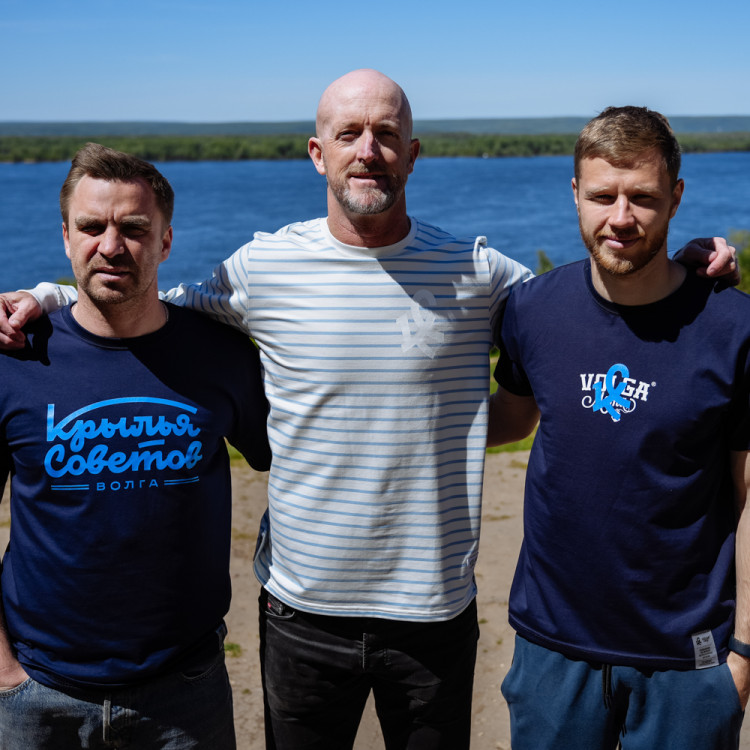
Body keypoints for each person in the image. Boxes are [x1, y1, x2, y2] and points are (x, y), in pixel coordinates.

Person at [0, 73, 739, 749]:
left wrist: (691, 273)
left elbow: (595, 297)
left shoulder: (478, 273)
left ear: (412, 154)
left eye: (386, 134)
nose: (368, 150)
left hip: (434, 614)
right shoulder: (263, 268)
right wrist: (51, 295)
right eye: (348, 134)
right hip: (300, 614)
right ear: (317, 153)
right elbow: (146, 298)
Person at [488, 106, 750, 749]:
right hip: (553, 653)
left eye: (644, 197)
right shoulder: (532, 309)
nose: (622, 218)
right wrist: (390, 408)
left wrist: (744, 656)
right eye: (603, 196)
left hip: (687, 663)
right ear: (575, 193)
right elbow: (510, 418)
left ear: (676, 197)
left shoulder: (733, 329)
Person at [0, 143, 271, 749]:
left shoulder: (221, 356)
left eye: (134, 228)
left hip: (185, 687)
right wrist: (4, 671)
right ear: (66, 237)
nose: (111, 245)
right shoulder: (15, 359)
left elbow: (295, 458)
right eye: (91, 227)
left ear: (165, 241)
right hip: (37, 692)